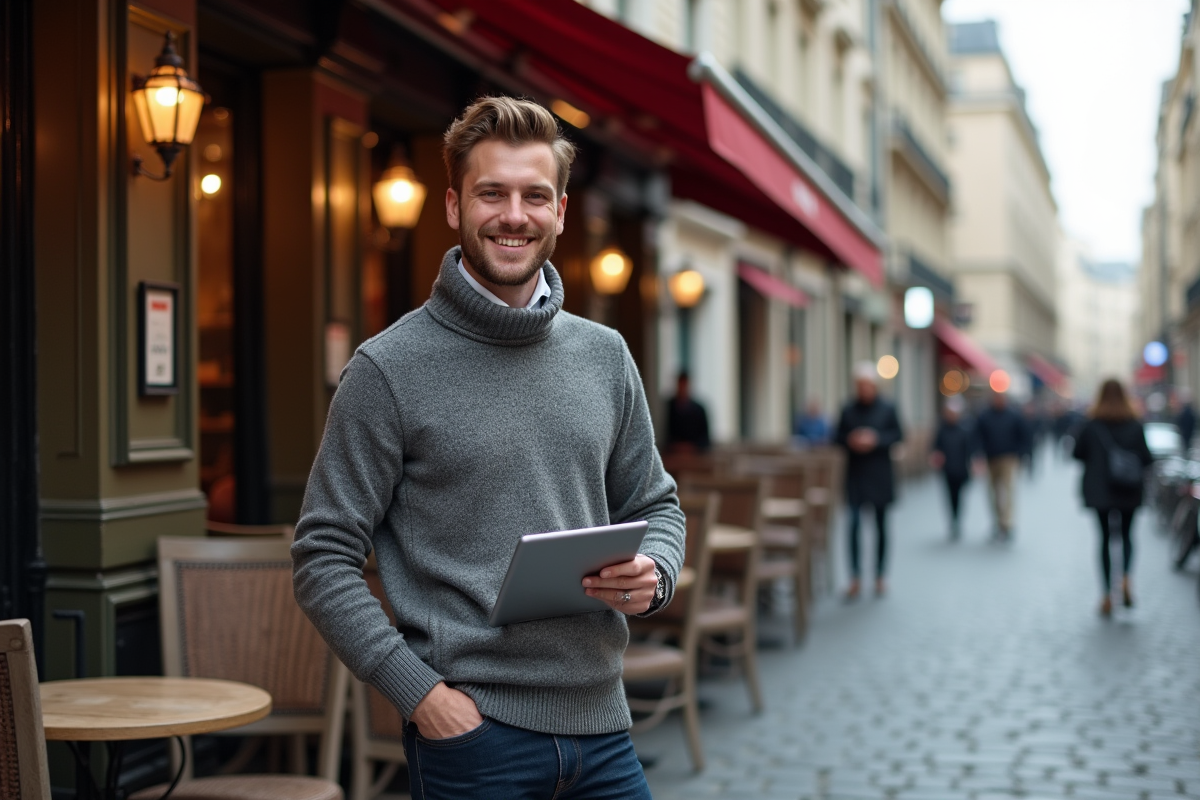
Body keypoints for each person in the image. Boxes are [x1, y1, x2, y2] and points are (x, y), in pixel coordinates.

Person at [291, 97, 685, 799]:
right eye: (491, 193)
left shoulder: (606, 355)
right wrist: (423, 697)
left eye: (535, 195)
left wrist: (655, 573)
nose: (514, 215)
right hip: (474, 743)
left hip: (606, 730)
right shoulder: (387, 370)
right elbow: (322, 557)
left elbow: (656, 502)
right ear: (453, 205)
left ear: (560, 211)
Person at [1072, 379, 1153, 616]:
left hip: (1100, 491)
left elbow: (1077, 453)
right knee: (1127, 536)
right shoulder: (1135, 424)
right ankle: (1126, 577)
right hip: (1128, 489)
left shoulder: (1091, 424)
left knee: (1105, 540)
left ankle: (1107, 594)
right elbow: (1147, 459)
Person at [835, 362, 904, 599]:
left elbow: (897, 435)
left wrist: (876, 440)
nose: (864, 390)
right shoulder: (848, 409)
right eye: (860, 386)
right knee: (852, 524)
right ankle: (854, 576)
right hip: (856, 475)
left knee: (881, 526)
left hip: (880, 474)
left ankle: (880, 575)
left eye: (868, 386)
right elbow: (837, 437)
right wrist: (851, 440)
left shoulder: (887, 408)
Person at [975, 390, 1029, 540]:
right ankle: (997, 521)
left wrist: (1020, 454)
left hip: (1008, 458)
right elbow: (977, 436)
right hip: (990, 458)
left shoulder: (1014, 416)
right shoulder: (985, 416)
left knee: (1008, 491)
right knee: (992, 493)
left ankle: (1007, 522)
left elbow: (1024, 436)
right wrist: (979, 455)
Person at [930, 395, 976, 540]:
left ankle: (958, 519)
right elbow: (935, 446)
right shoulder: (942, 429)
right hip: (948, 469)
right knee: (950, 496)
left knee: (959, 496)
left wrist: (974, 463)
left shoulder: (965, 429)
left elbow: (970, 448)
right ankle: (953, 520)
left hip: (962, 468)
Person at [665, 371, 711, 453]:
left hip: (696, 457)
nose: (683, 388)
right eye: (681, 385)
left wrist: (691, 447)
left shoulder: (699, 410)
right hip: (674, 457)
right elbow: (665, 436)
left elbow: (705, 440)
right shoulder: (669, 408)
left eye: (685, 385)